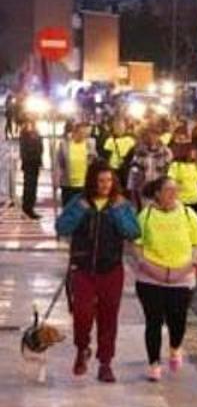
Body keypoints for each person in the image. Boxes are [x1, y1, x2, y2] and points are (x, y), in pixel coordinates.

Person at [55, 162, 141, 382]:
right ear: (92, 181)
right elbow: (62, 227)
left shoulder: (121, 204)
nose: (105, 185)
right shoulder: (79, 201)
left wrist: (117, 212)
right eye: (101, 181)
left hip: (111, 269)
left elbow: (133, 232)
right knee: (82, 314)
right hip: (83, 268)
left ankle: (105, 362)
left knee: (108, 317)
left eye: (109, 180)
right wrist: (80, 210)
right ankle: (82, 348)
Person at [133, 177, 197, 381]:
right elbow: (137, 245)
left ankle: (175, 347)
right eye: (168, 190)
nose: (173, 194)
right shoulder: (146, 215)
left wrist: (187, 266)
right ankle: (154, 363)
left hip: (181, 276)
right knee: (153, 321)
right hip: (151, 278)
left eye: (176, 190)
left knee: (178, 319)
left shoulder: (187, 213)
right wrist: (148, 266)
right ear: (157, 193)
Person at [56, 121, 97, 206]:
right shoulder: (64, 144)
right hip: (68, 185)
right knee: (68, 209)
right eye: (81, 133)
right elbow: (60, 163)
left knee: (83, 211)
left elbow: (93, 161)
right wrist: (57, 178)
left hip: (84, 185)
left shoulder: (90, 144)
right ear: (74, 132)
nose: (84, 136)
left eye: (85, 134)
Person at [19, 117, 43, 219]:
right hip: (29, 164)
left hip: (35, 163)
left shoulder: (36, 133)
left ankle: (30, 208)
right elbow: (25, 150)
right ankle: (27, 209)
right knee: (29, 187)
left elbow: (40, 147)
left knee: (33, 187)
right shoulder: (25, 134)